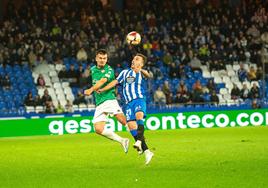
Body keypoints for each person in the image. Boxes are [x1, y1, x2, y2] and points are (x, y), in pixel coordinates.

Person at [99, 53, 154, 165]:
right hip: (128, 103)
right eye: (134, 58)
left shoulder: (141, 72)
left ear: (142, 63)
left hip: (138, 99)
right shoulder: (125, 73)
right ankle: (147, 151)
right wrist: (103, 89)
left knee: (139, 117)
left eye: (137, 59)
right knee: (132, 127)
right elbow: (115, 82)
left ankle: (139, 141)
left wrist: (141, 69)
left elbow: (149, 76)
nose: (134, 59)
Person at [83, 49, 129, 154]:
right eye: (100, 58)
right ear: (96, 58)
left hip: (108, 98)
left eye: (104, 58)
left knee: (121, 119)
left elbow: (102, 81)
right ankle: (122, 140)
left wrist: (91, 89)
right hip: (99, 102)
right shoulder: (93, 69)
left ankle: (138, 137)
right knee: (98, 129)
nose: (102, 60)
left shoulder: (109, 69)